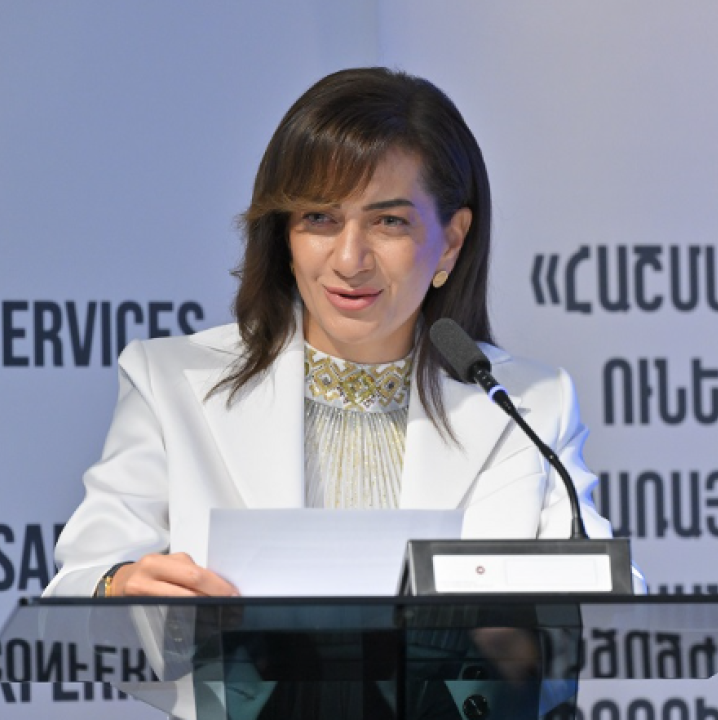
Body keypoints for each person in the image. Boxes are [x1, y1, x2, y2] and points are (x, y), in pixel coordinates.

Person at [44, 66, 617, 600]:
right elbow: (76, 584)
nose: (349, 260)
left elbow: (611, 596)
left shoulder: (531, 406)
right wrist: (117, 587)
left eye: (389, 222)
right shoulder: (171, 384)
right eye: (319, 218)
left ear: (451, 240)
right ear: (284, 234)